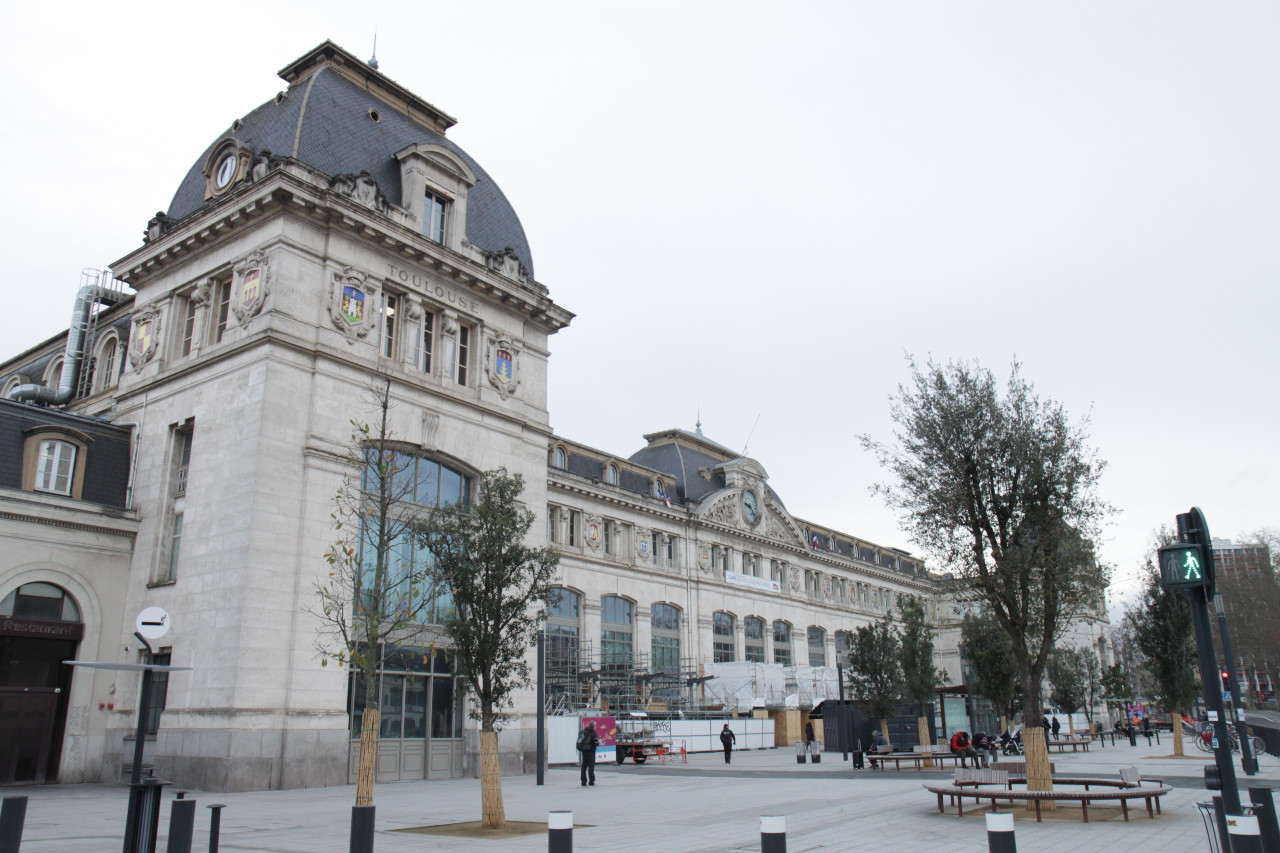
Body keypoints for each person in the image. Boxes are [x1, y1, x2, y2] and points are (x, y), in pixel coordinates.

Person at [577, 721, 599, 787]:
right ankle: (591, 782)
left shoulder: (584, 731)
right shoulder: (593, 733)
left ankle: (583, 782)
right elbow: (596, 743)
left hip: (584, 751)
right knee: (591, 767)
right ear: (594, 726)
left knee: (584, 766)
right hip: (591, 751)